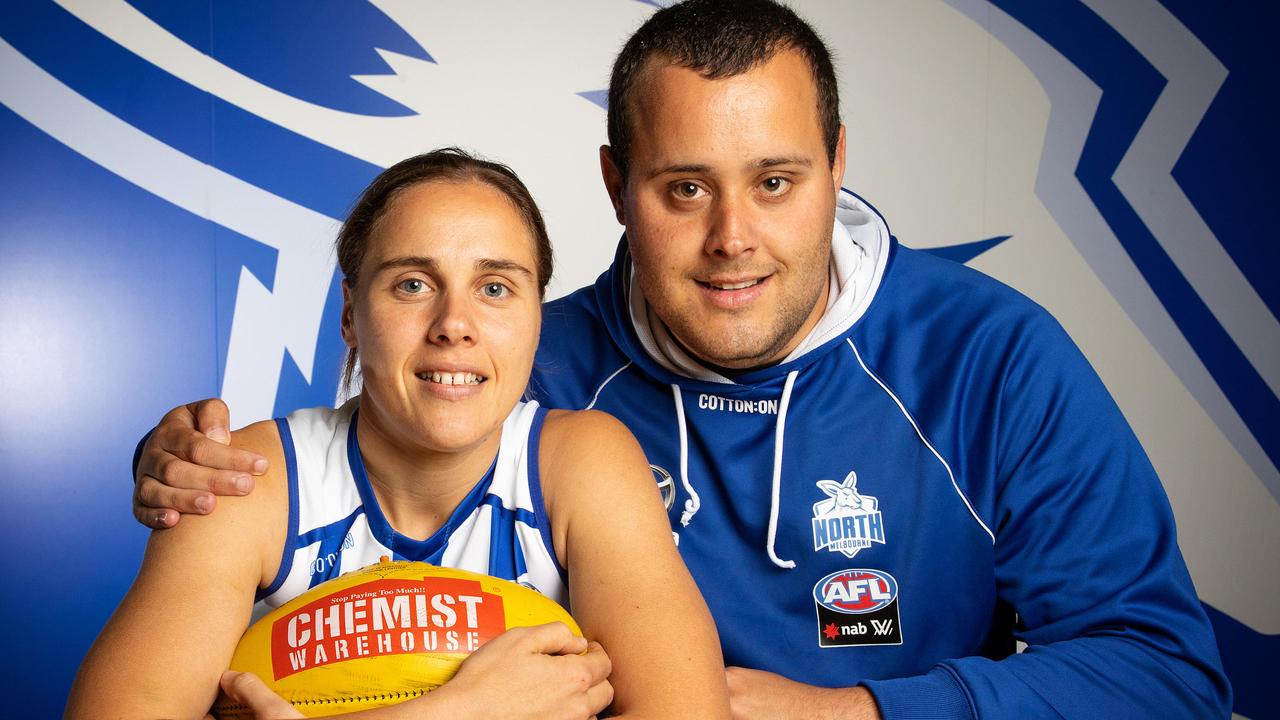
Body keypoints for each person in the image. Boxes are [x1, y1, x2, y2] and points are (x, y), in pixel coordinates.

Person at [130, 1, 1232, 718]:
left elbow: (1165, 675)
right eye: (683, 188)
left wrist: (859, 713)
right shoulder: (518, 364)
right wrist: (186, 462)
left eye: (776, 180)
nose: (732, 238)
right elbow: (334, 496)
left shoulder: (989, 357)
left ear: (836, 164)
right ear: (616, 187)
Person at [69, 149, 729, 719]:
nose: (454, 324)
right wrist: (455, 711)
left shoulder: (583, 462)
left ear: (536, 318)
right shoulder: (249, 478)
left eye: (496, 287)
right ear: (351, 315)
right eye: (413, 284)